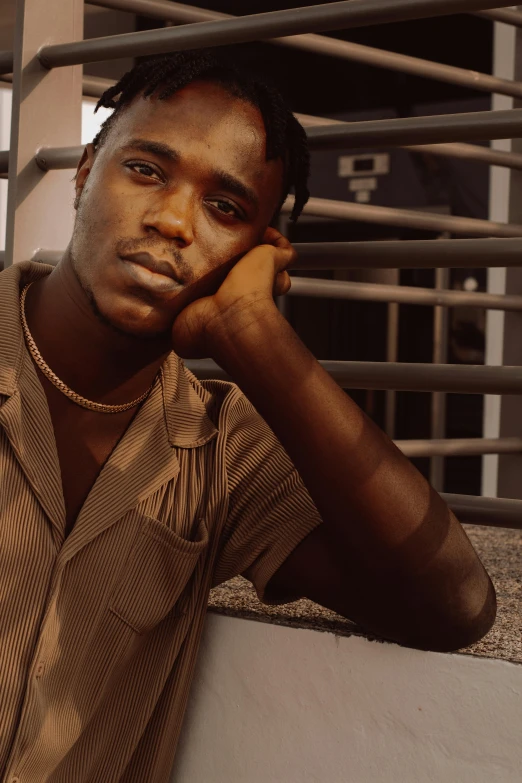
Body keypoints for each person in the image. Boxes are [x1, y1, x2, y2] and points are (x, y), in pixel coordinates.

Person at [0, 49, 495, 782]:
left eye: (225, 209)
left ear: (257, 250)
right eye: (146, 169)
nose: (172, 220)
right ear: (85, 170)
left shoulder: (222, 450)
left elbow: (453, 603)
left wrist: (255, 334)